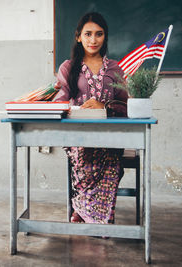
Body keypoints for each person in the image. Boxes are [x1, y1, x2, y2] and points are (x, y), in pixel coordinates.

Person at [53, 12, 128, 225]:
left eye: (99, 34)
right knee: (85, 154)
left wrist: (103, 106)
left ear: (105, 37)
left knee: (110, 158)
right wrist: (77, 109)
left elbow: (125, 105)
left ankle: (88, 212)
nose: (93, 40)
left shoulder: (114, 68)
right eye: (88, 34)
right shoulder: (68, 67)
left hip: (109, 136)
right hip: (78, 135)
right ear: (78, 37)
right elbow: (61, 101)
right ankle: (86, 210)